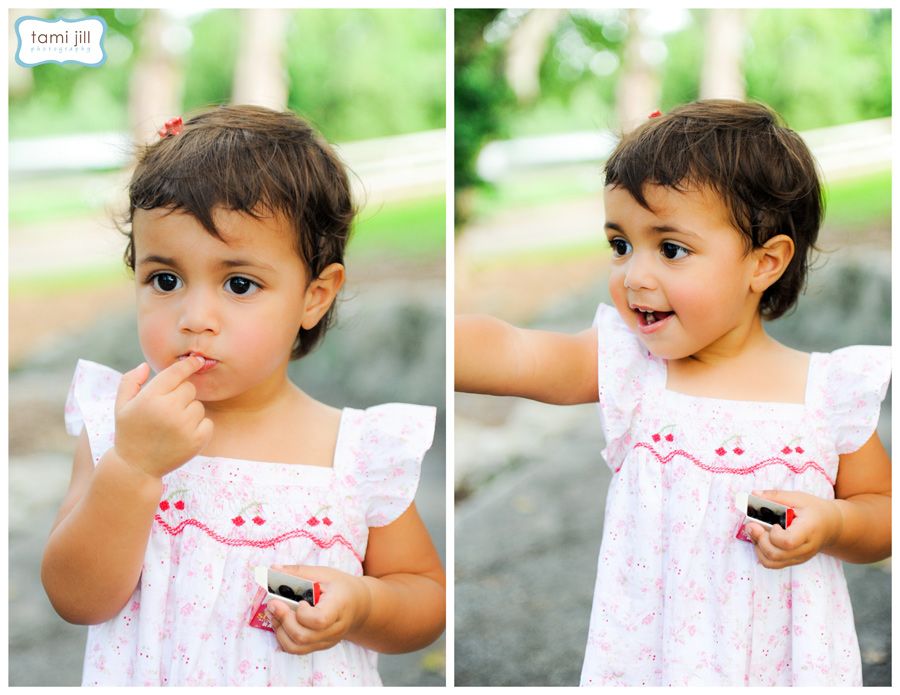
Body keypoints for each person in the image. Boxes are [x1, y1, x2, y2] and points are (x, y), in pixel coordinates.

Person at [455, 100, 890, 686]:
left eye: (671, 249)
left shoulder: (827, 393)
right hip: (651, 665)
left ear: (765, 262)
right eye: (620, 245)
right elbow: (519, 354)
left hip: (781, 667)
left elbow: (882, 514)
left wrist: (833, 524)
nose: (634, 275)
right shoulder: (631, 370)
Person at [42, 105, 445, 686]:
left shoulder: (356, 452)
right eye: (165, 280)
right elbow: (77, 598)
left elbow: (424, 597)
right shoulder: (120, 429)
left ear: (314, 295)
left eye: (239, 284)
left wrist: (360, 604)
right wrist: (132, 468)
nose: (194, 317)